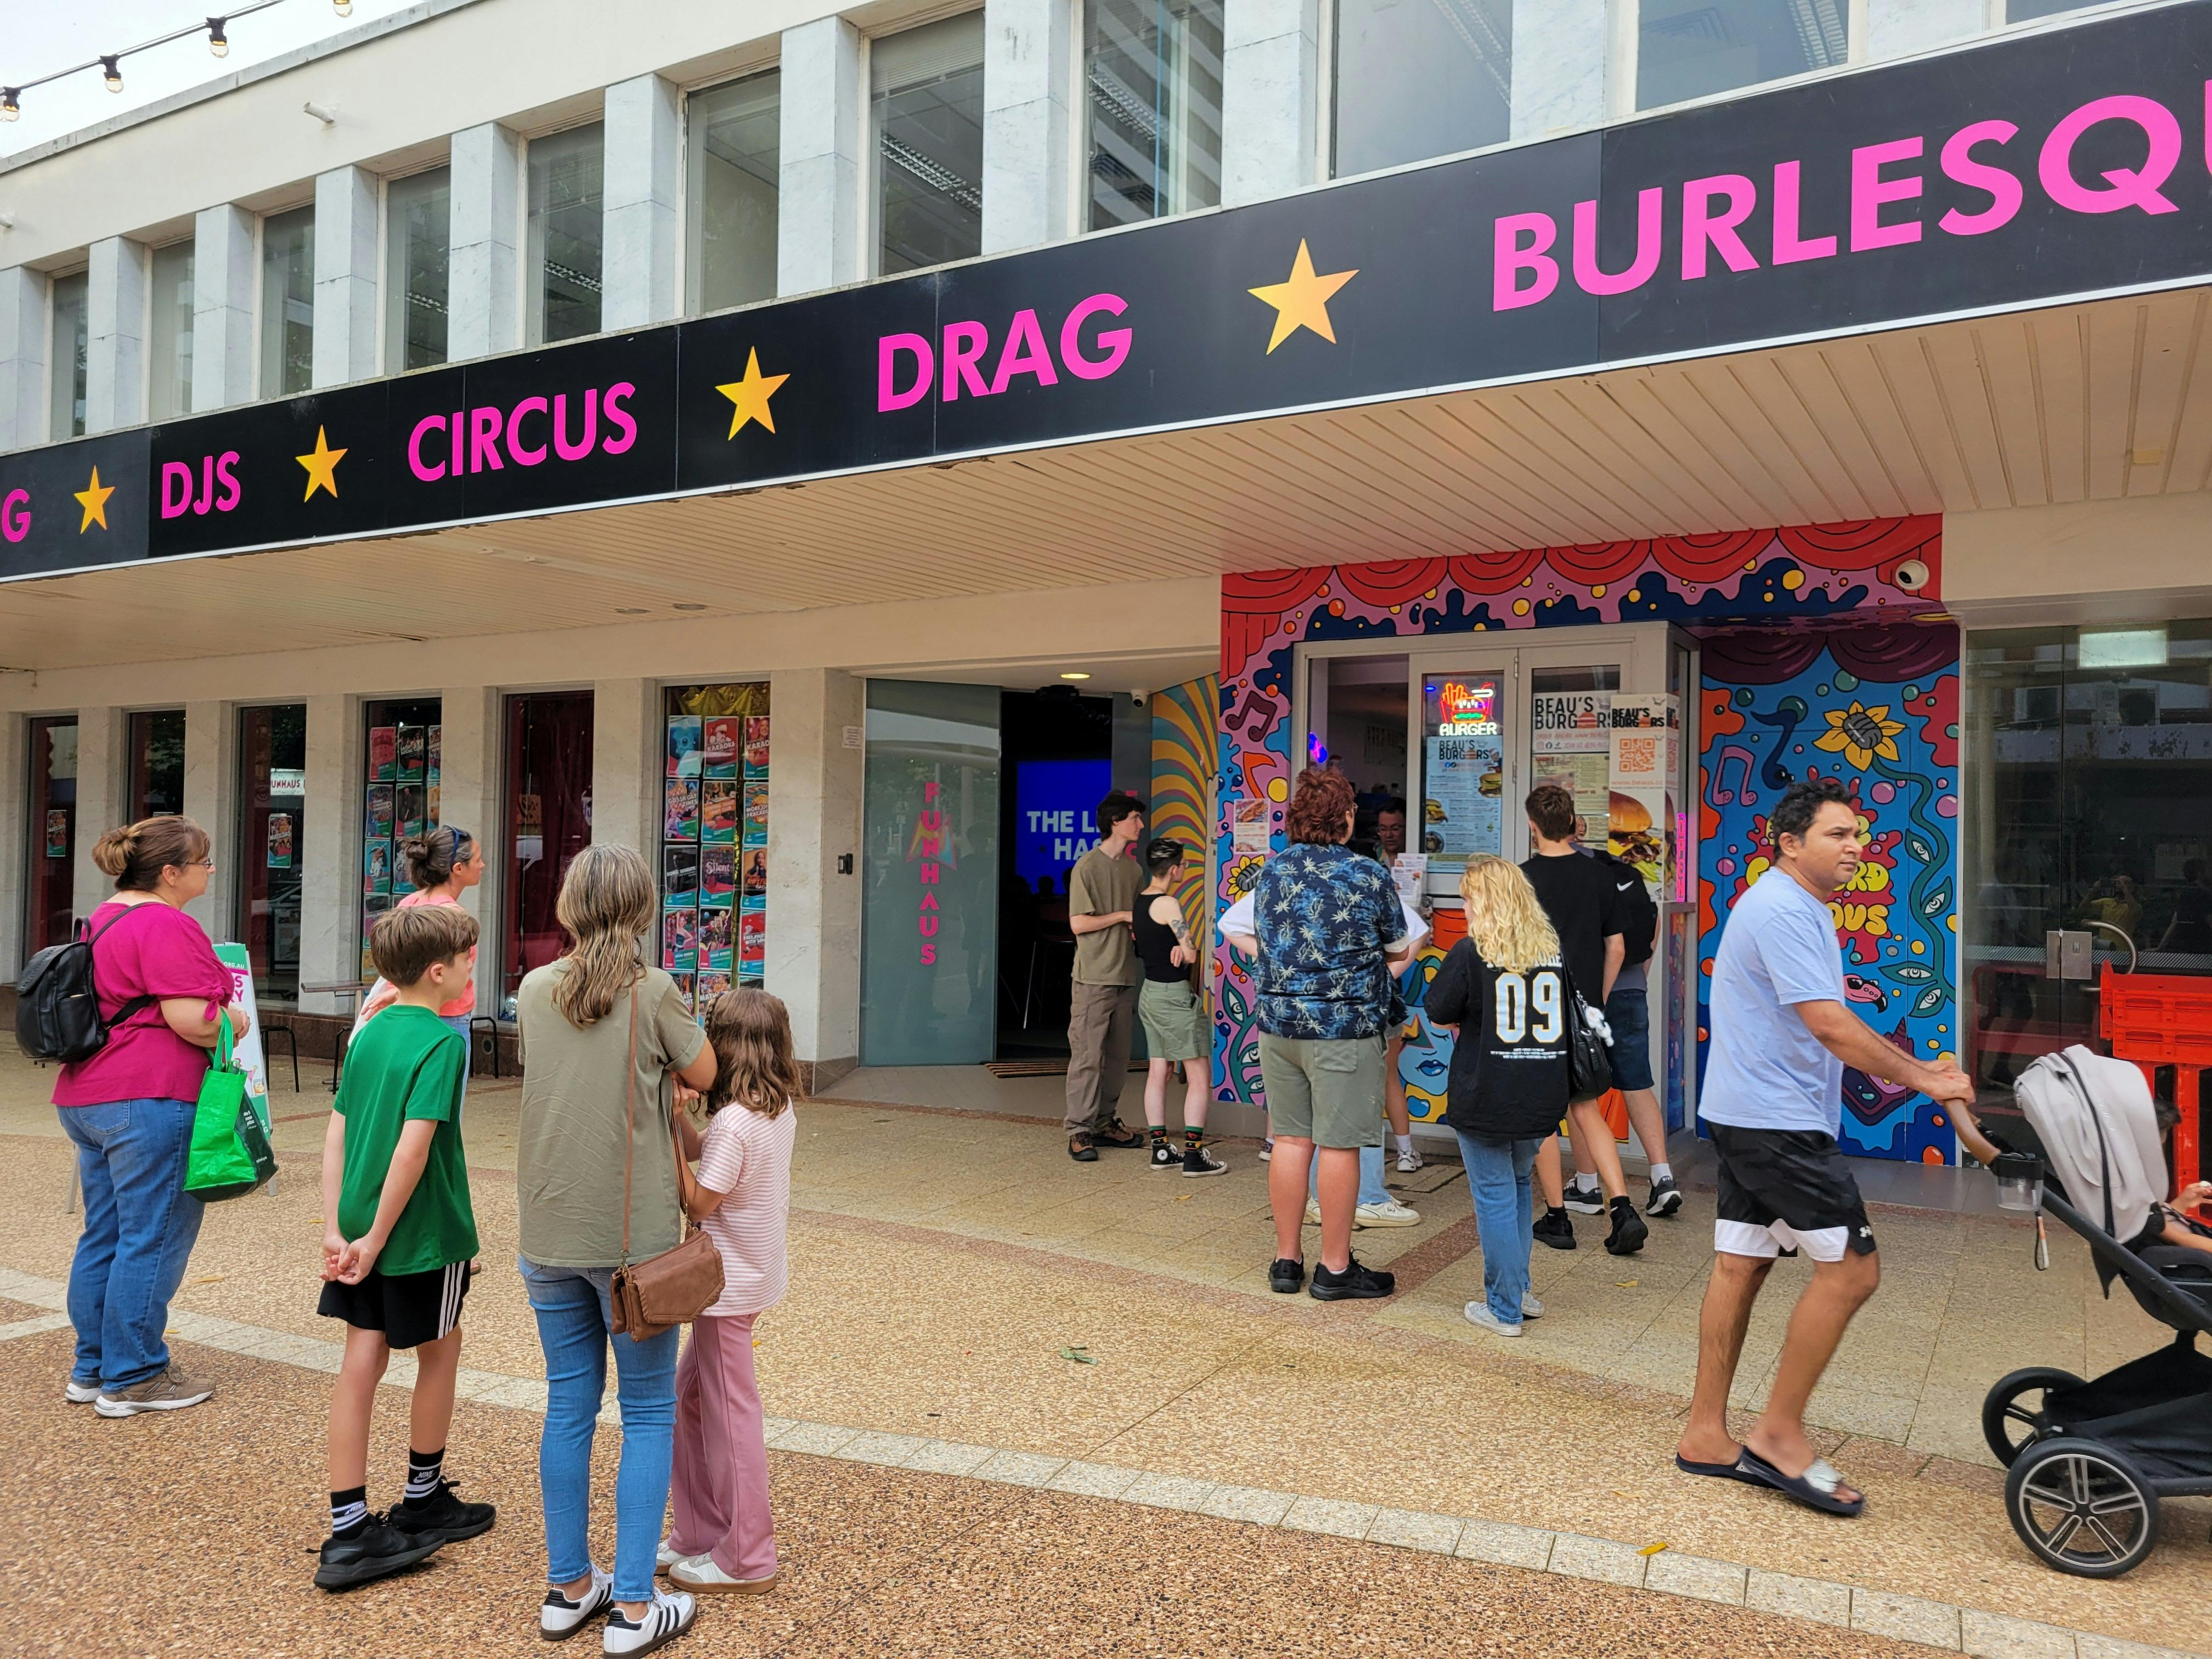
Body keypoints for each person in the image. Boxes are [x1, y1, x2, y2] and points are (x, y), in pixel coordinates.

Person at [1675, 780, 1973, 1517]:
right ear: (1790, 842)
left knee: (1742, 1264)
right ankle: (1778, 1435)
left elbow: (1832, 1018)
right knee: (1853, 1273)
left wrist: (1916, 1071)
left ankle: (1706, 1435)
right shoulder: (1781, 908)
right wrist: (1924, 1081)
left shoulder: (1799, 908)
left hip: (1754, 1113)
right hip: (1774, 1122)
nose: (1855, 848)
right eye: (1838, 835)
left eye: (1860, 837)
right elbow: (1830, 1025)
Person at [517, 845, 719, 1652]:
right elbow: (702, 1071)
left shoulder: (533, 989)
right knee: (645, 1412)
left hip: (548, 1227)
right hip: (629, 1244)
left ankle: (569, 1588)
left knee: (568, 1405)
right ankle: (635, 1606)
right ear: (642, 911)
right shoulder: (655, 991)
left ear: (569, 905)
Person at [314, 903, 494, 1589]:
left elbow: (337, 1133)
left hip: (357, 1222)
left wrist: (340, 1231)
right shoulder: (443, 1044)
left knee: (361, 1360)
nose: (475, 967)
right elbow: (415, 1151)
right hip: (421, 1233)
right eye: (470, 958)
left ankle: (350, 1526)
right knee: (440, 1349)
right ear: (440, 971)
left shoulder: (370, 1032)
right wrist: (382, 1238)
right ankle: (422, 1498)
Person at [54, 816, 244, 1418]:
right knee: (152, 1238)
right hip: (150, 1097)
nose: (210, 870)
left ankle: (93, 1367)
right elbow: (193, 1020)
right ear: (170, 872)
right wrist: (235, 1022)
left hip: (90, 1095)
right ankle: (134, 1374)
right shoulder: (165, 922)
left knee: (105, 1235)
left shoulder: (104, 916)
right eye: (203, 861)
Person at [1235, 766, 1414, 1301]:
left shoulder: (1270, 872)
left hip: (1278, 1027)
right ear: (1347, 817)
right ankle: (1335, 1268)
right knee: (1339, 1146)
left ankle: (1286, 1260)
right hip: (1344, 1028)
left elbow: (1254, 935)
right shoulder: (1366, 875)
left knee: (1291, 1138)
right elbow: (1400, 948)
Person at [664, 989, 801, 1598]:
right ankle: (698, 1533)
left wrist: (665, 1135)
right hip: (753, 1276)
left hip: (725, 1291)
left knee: (729, 1415)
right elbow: (712, 1159)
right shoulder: (773, 1110)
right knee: (690, 1398)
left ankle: (747, 1554)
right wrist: (677, 1119)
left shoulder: (735, 1123)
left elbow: (698, 1197)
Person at [1427, 856, 1573, 1338]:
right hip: (1540, 1097)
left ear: (1484, 902)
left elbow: (1438, 1009)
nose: (1464, 907)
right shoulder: (1551, 953)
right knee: (1517, 1188)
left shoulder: (1472, 953)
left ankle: (1505, 1308)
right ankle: (1521, 1289)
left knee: (1493, 1196)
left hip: (1486, 1093)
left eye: (1468, 898)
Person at [1519, 786, 1647, 1257]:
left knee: (1543, 1117)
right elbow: (1617, 945)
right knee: (1586, 1108)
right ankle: (1622, 1208)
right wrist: (1598, 995)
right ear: (1574, 823)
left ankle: (1557, 1217)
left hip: (1537, 1010)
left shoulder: (1521, 879)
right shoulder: (1599, 876)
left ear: (1532, 827)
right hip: (1585, 1009)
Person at [1133, 837, 1227, 1176]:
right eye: (1184, 864)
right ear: (1173, 870)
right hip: (1174, 997)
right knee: (1200, 1076)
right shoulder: (1169, 903)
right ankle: (1193, 1155)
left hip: (1151, 994)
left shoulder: (1140, 902)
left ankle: (1160, 1149)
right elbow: (1190, 952)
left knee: (1158, 1071)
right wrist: (1184, 948)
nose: (1185, 869)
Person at [1064, 791, 1147, 1163]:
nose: (1140, 825)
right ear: (1116, 822)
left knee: (1117, 1057)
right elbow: (1079, 924)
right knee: (1087, 1055)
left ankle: (1105, 1122)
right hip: (1092, 977)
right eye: (1135, 818)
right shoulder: (1087, 867)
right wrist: (1122, 916)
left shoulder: (1133, 871)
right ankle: (1079, 1130)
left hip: (1125, 975)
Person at [353, 825, 487, 1036]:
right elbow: (452, 976)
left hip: (402, 1008)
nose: (483, 865)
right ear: (459, 868)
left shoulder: (410, 902)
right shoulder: (455, 916)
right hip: (446, 1016)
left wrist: (397, 992)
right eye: (478, 859)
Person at [1372, 798, 1426, 1175]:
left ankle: (1404, 1151)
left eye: (1396, 828)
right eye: (1384, 828)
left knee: (1385, 1071)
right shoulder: (1371, 867)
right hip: (1383, 980)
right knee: (1383, 1072)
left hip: (1384, 982)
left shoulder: (1417, 863)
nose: (1390, 835)